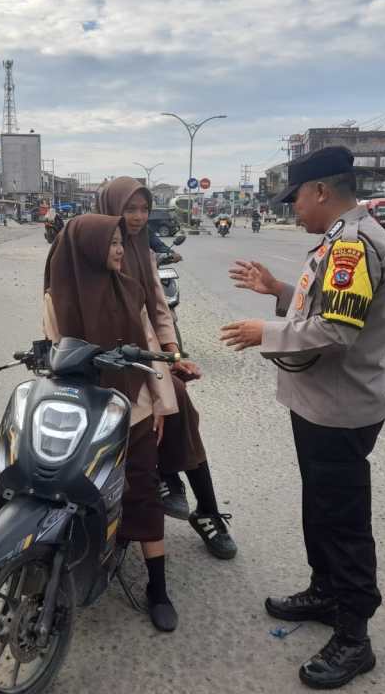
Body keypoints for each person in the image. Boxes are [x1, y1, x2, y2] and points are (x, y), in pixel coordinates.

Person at [220, 146, 385, 689]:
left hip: (340, 408)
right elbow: (324, 310)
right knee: (320, 507)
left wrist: (262, 332)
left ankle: (354, 636)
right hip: (319, 403)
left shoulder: (353, 245)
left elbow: (336, 333)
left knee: (344, 522)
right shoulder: (337, 241)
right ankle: (325, 592)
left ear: (321, 191)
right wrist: (277, 291)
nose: (293, 208)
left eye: (296, 197)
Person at [43, 213, 180, 632]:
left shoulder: (131, 289)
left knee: (142, 487)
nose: (121, 250)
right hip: (81, 410)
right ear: (86, 248)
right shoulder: (58, 296)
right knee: (57, 483)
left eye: (122, 242)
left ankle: (157, 587)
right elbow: (53, 356)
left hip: (131, 406)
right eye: (112, 243)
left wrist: (159, 405)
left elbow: (149, 347)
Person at [98, 177, 237, 560]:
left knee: (179, 402)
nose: (139, 217)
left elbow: (158, 311)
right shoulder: (89, 244)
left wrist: (173, 357)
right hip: (96, 360)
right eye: (131, 209)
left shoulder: (143, 250)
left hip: (141, 356)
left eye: (144, 209)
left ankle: (203, 508)